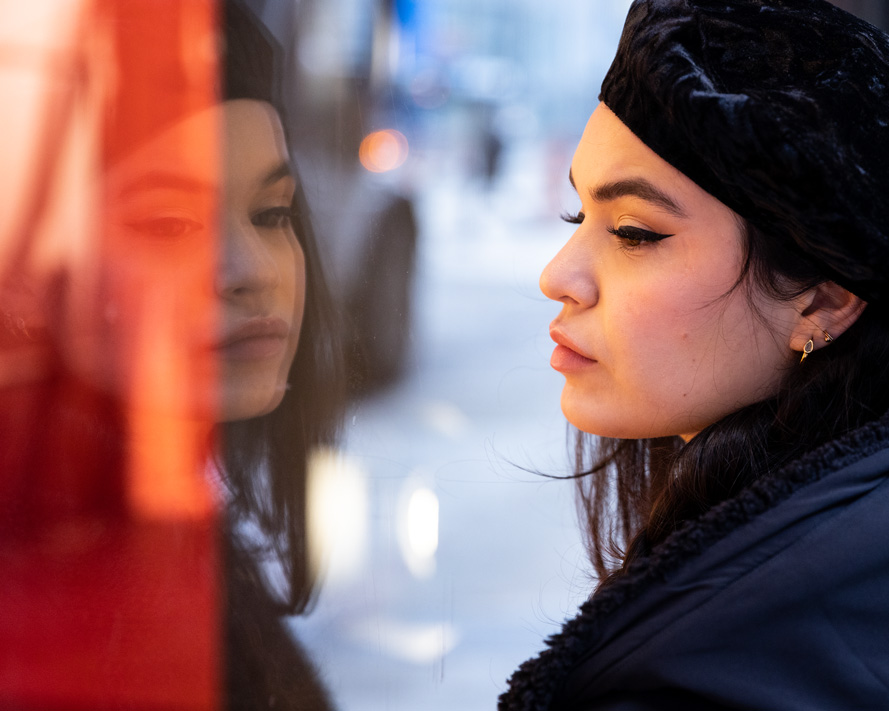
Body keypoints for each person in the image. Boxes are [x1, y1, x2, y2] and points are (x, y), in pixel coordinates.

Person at [500, 1, 889, 709]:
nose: (556, 276)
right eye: (576, 215)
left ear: (823, 302)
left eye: (633, 231)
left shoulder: (726, 667)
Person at [0, 2, 342, 709]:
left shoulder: (171, 537)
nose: (248, 268)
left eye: (273, 214)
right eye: (170, 221)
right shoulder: (63, 603)